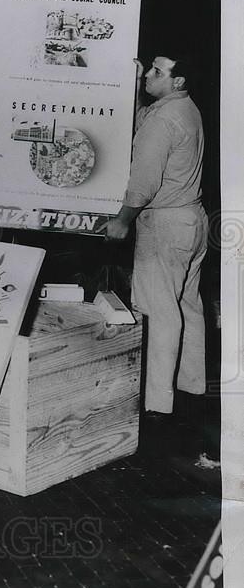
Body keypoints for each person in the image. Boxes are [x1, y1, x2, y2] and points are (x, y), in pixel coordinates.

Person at [106, 55, 207, 416]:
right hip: (192, 219)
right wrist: (136, 87)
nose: (149, 73)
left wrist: (122, 220)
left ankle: (156, 404)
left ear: (177, 81)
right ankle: (192, 386)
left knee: (158, 310)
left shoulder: (165, 118)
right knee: (187, 305)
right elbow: (141, 123)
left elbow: (143, 182)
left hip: (164, 224)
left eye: (156, 72)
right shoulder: (184, 108)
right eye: (150, 68)